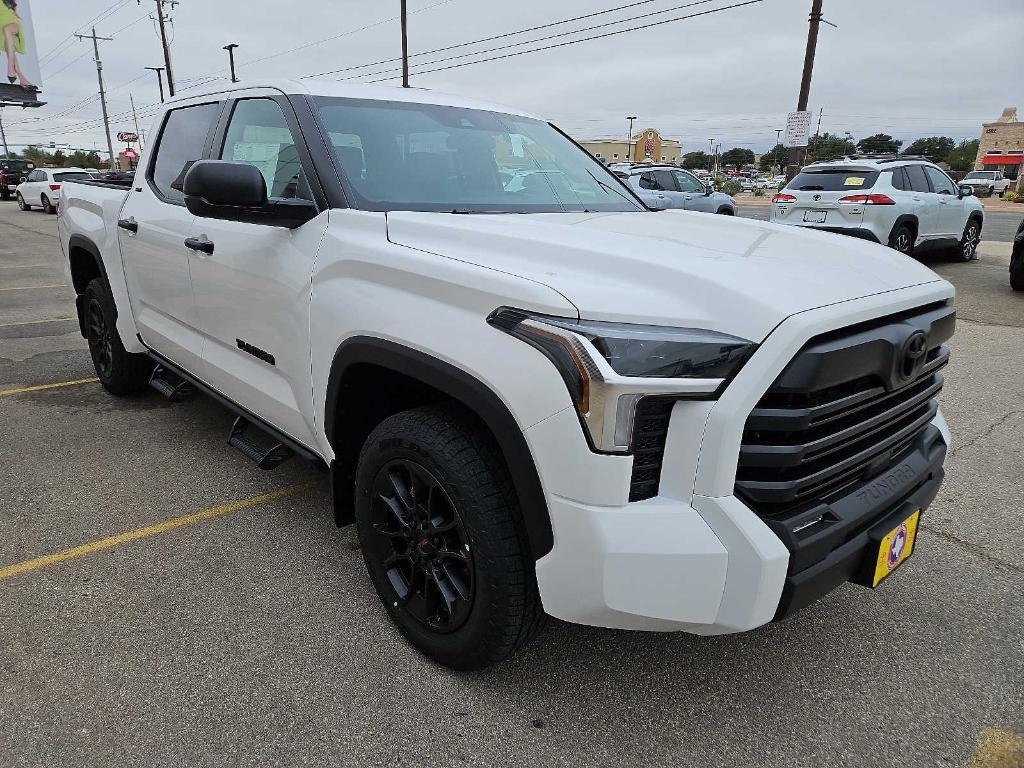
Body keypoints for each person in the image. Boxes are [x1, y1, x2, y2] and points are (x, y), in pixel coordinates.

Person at [0, 0, 33, 90]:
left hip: (13, 24)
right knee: (9, 47)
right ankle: (21, 77)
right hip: (1, 27)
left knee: (7, 30)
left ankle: (10, 69)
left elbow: (14, 11)